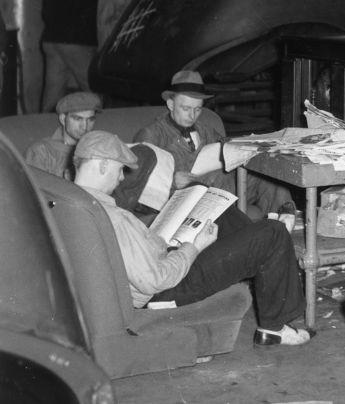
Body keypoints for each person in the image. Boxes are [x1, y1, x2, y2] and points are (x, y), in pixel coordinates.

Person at [73, 130, 311, 346]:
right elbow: (155, 279)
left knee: (217, 207)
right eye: (119, 169)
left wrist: (163, 239)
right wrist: (192, 248)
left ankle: (261, 264)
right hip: (167, 289)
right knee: (272, 232)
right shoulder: (112, 218)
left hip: (161, 264)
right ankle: (275, 328)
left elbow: (134, 256)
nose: (122, 178)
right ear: (103, 165)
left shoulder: (76, 201)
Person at [134, 70, 295, 219]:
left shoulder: (205, 130)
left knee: (268, 177)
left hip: (219, 190)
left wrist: (247, 150)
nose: (192, 116)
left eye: (198, 109)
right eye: (186, 108)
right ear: (170, 104)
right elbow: (137, 188)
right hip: (184, 200)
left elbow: (227, 153)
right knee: (216, 177)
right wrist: (171, 182)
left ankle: (287, 223)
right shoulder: (151, 135)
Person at [25, 91, 102, 180]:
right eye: (78, 119)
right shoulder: (41, 151)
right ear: (62, 119)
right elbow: (34, 190)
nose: (85, 126)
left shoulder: (99, 149)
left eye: (90, 119)